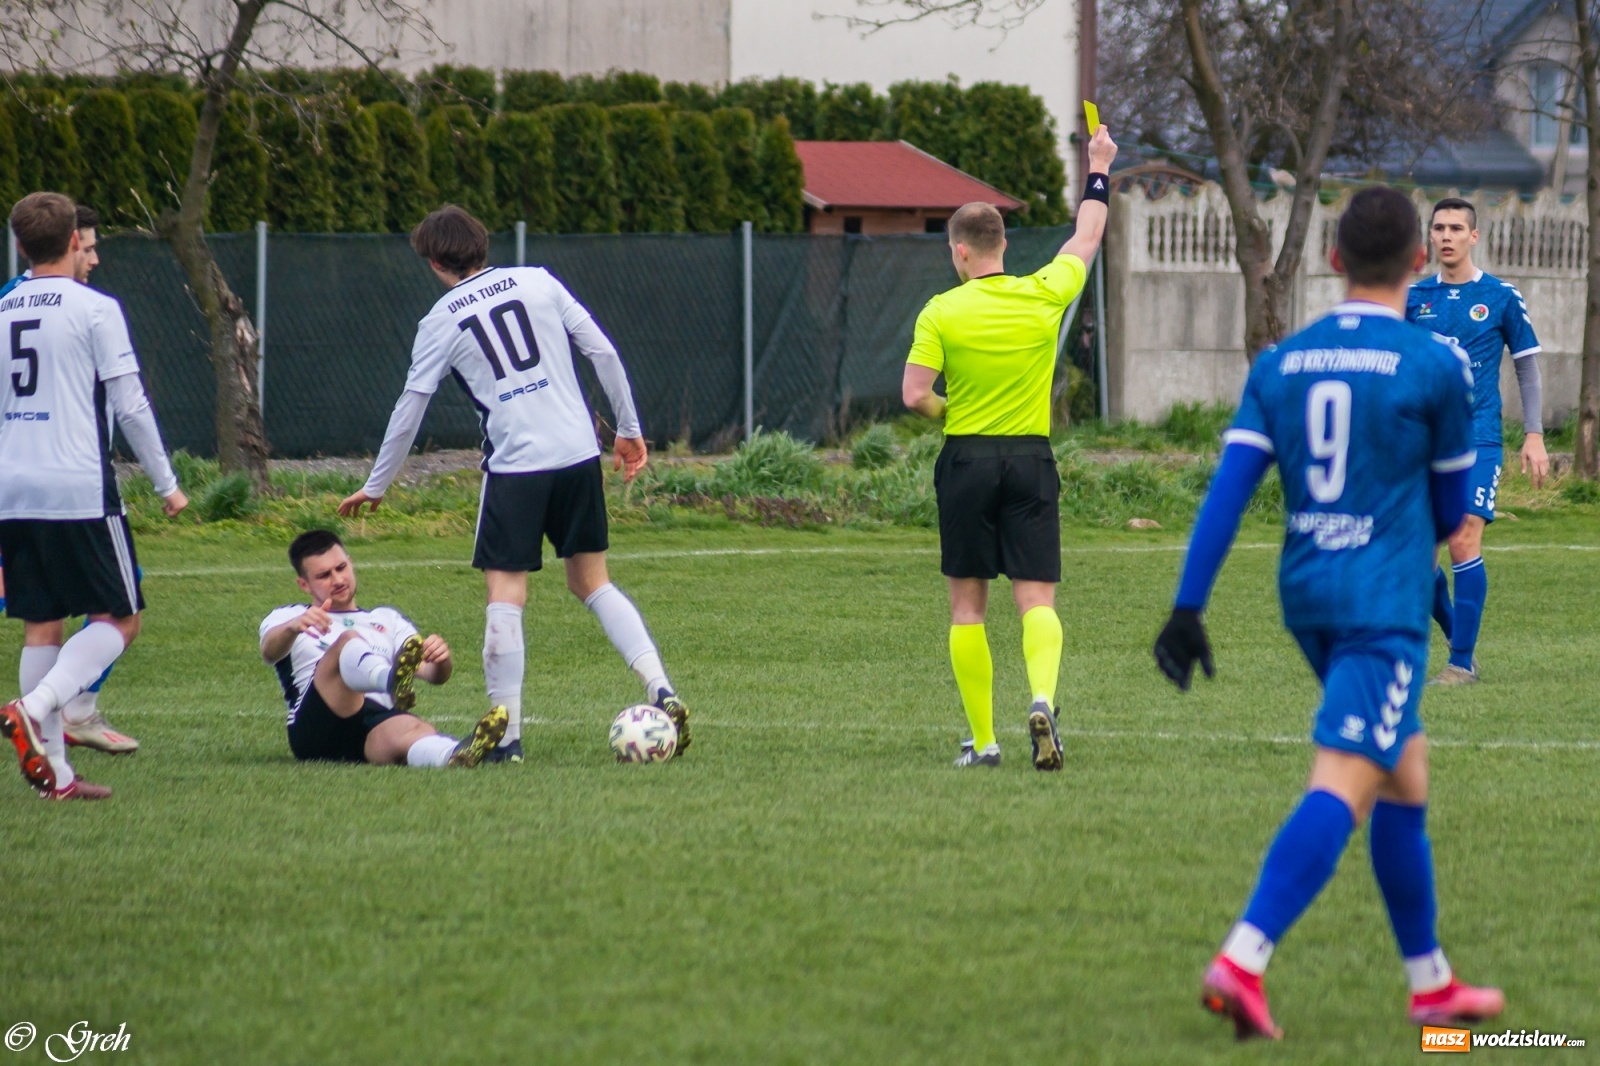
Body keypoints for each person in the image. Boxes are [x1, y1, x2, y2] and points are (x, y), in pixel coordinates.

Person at [1153, 186, 1504, 1040]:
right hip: (1380, 605)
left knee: (1404, 775)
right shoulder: (1434, 365)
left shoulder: (1282, 362)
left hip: (1306, 592)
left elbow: (1228, 492)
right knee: (1345, 779)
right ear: (1417, 260)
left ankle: (1431, 985)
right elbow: (1452, 507)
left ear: (1333, 258)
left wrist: (1188, 607)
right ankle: (1243, 959)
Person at [338, 204, 688, 764]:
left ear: (434, 263)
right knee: (593, 583)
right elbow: (602, 350)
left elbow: (411, 407)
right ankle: (660, 687)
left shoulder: (439, 320)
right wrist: (628, 428)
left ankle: (509, 738)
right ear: (483, 245)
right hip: (577, 455)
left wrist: (377, 484)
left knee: (506, 597)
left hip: (517, 468)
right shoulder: (539, 280)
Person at [900, 124, 1117, 771]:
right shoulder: (1044, 292)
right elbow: (1088, 234)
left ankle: (984, 742)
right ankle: (1043, 699)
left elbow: (915, 395)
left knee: (968, 607)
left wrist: (952, 409)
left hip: (966, 459)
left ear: (960, 251)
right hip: (1030, 459)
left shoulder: (941, 310)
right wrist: (1099, 166)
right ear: (1003, 246)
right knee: (1036, 599)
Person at [0, 192, 188, 801]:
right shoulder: (95, 308)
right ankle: (34, 706)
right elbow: (131, 403)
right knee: (121, 617)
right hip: (77, 486)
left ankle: (55, 777)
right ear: (74, 241)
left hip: (13, 489)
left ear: (20, 245)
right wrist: (167, 484)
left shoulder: (2, 307)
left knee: (42, 625)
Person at [1406, 198, 1547, 685]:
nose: (1446, 236)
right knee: (1417, 558)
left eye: (1455, 228)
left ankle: (1461, 663)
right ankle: (1456, 634)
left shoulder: (1501, 296)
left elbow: (1527, 367)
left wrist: (1534, 434)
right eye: (1438, 228)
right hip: (1423, 442)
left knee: (1463, 536)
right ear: (1430, 235)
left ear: (1474, 236)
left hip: (1478, 437)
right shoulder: (1414, 298)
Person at [259, 530, 506, 767]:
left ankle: (455, 754)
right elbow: (269, 652)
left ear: (350, 563)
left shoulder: (387, 619)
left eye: (341, 568)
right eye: (324, 575)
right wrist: (292, 627)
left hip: (372, 724)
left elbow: (432, 674)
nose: (338, 580)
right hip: (316, 728)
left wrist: (440, 660)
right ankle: (390, 680)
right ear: (304, 584)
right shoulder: (291, 616)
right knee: (347, 642)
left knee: (413, 729)